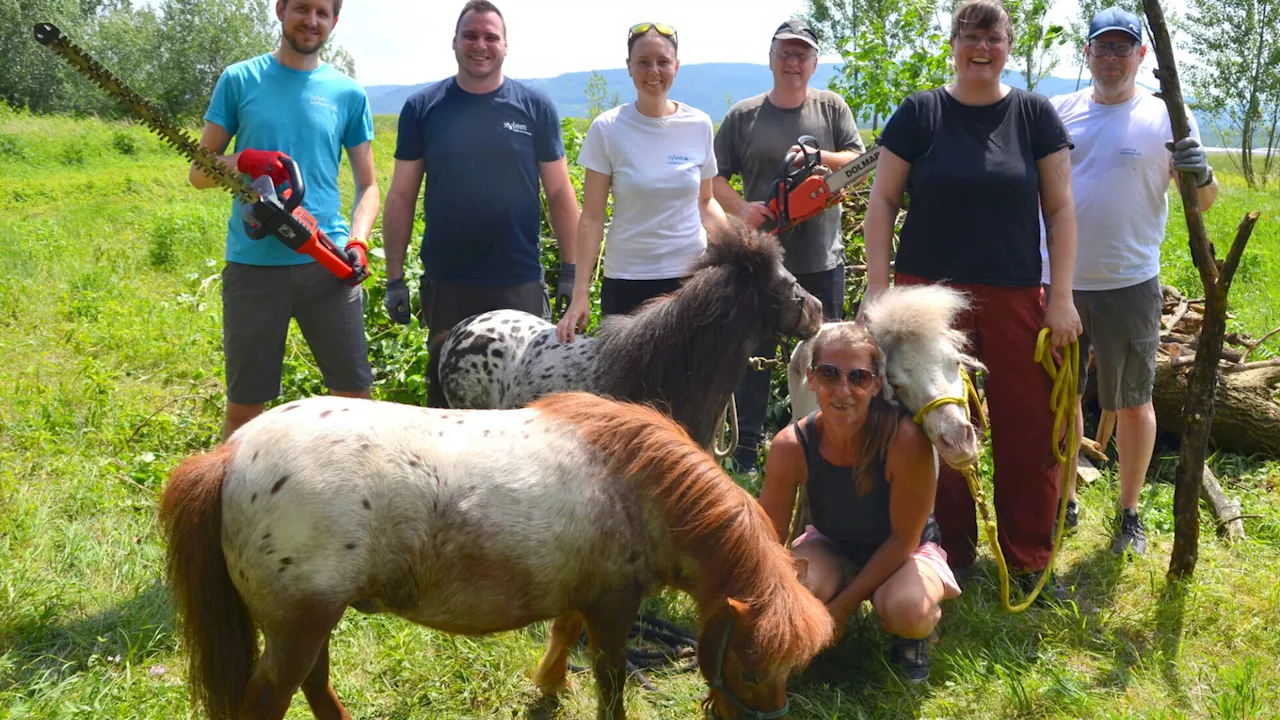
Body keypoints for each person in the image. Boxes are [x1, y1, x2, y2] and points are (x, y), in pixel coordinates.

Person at [863, 0, 1082, 600]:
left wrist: (1059, 297)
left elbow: (1060, 210)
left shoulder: (1034, 115)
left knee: (1028, 423)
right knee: (931, 420)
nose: (981, 48)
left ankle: (1029, 554)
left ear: (1009, 45)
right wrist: (877, 291)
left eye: (993, 36)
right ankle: (946, 551)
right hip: (924, 296)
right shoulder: (920, 113)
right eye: (970, 35)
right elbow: (882, 201)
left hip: (1013, 292)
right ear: (953, 43)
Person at [1044, 7, 1219, 555]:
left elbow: (1205, 202)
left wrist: (1202, 172)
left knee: (1134, 402)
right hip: (1061, 283)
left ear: (1142, 55)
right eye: (1103, 47)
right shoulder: (1058, 112)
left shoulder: (1167, 118)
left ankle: (1129, 513)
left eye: (1124, 47)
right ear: (1088, 53)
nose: (1113, 57)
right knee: (1063, 396)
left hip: (1130, 281)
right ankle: (1066, 498)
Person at [190, 0, 380, 441]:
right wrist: (244, 159)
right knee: (244, 411)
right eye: (300, 8)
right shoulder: (240, 79)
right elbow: (199, 173)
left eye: (321, 12)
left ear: (334, 20)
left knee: (356, 403)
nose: (310, 21)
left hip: (327, 262)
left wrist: (358, 242)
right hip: (254, 266)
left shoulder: (347, 93)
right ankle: (233, 508)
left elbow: (368, 186)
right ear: (279, 9)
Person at [381, 0, 580, 406]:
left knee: (529, 409)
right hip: (448, 284)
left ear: (506, 46)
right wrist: (395, 278)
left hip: (519, 281)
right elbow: (401, 195)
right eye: (470, 35)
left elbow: (560, 193)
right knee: (446, 408)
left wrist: (571, 271)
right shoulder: (423, 108)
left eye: (491, 37)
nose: (480, 45)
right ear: (454, 42)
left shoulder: (534, 107)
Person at [758, 322, 961, 683]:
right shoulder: (791, 446)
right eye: (829, 373)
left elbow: (903, 539)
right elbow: (769, 540)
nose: (843, 389)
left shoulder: (905, 439)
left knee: (905, 610)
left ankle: (915, 633)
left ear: (877, 384)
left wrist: (839, 610)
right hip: (831, 545)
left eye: (858, 377)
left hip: (906, 552)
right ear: (811, 379)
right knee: (796, 589)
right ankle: (826, 610)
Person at [713, 19, 868, 471]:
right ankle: (745, 458)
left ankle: (830, 452)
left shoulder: (832, 108)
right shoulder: (744, 116)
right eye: (786, 52)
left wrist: (819, 159)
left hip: (822, 260)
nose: (793, 62)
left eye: (802, 54)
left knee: (829, 361)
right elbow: (713, 178)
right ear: (771, 58)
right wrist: (743, 208)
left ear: (814, 63)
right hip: (761, 263)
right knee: (753, 361)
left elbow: (860, 165)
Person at [556, 22, 730, 341]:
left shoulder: (699, 125)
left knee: (687, 384)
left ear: (676, 66)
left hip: (689, 283)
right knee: (624, 390)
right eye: (643, 62)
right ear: (629, 68)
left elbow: (706, 203)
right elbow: (592, 217)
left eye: (663, 62)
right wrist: (581, 293)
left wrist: (737, 249)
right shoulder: (607, 129)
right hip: (627, 281)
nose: (654, 71)